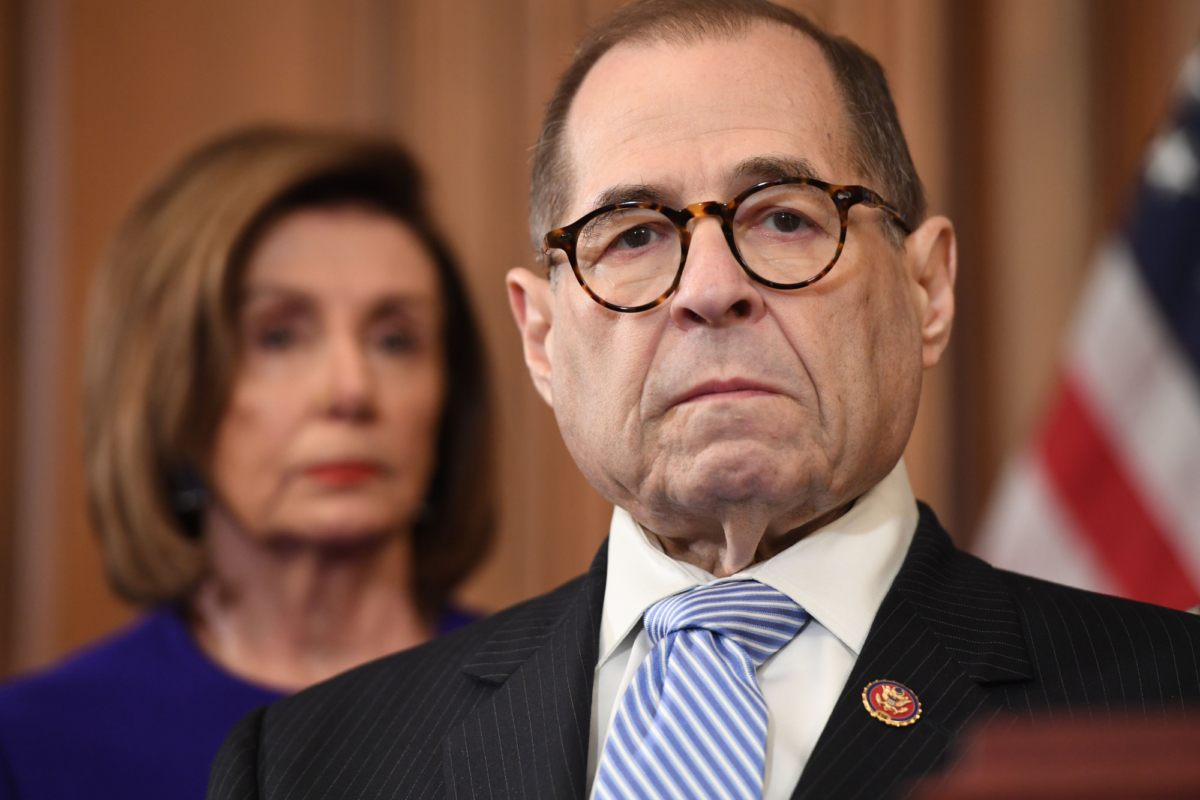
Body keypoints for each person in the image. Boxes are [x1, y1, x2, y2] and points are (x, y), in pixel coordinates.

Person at [208, 3, 1200, 799]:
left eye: (782, 216)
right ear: (541, 336)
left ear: (927, 287)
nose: (708, 285)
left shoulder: (1167, 707)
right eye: (633, 233)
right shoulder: (307, 765)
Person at [0, 127, 494, 800]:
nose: (350, 391)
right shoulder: (32, 745)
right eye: (280, 335)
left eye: (394, 339)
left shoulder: (574, 702)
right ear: (167, 385)